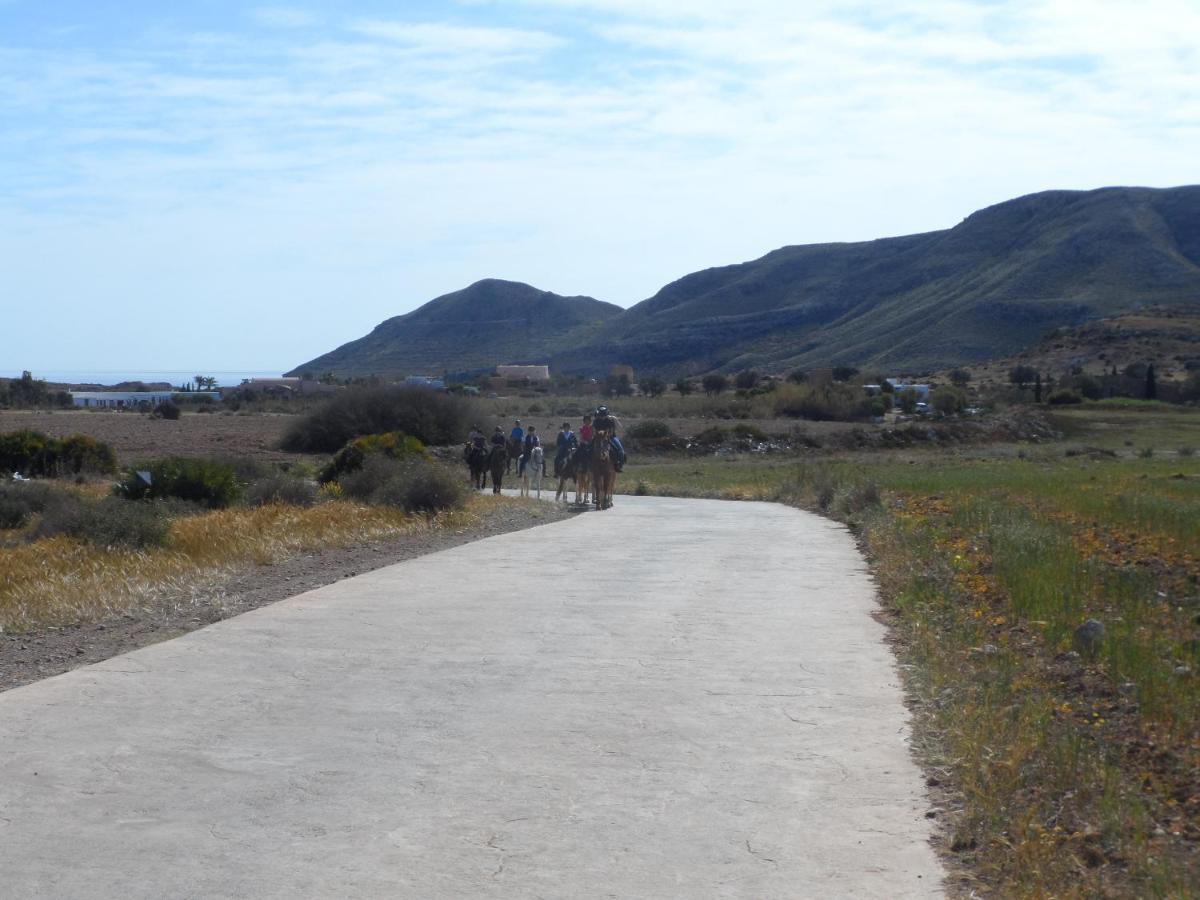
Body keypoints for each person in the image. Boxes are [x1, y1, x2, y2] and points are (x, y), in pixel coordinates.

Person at [591, 405, 626, 471]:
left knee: (620, 450)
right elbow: (594, 430)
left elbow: (611, 431)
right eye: (601, 415)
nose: (602, 416)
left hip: (611, 437)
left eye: (603, 415)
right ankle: (588, 464)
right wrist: (596, 436)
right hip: (598, 438)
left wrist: (606, 436)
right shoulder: (596, 421)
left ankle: (619, 465)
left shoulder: (610, 420)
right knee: (588, 448)